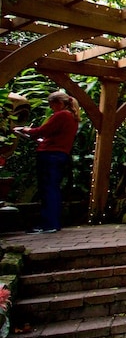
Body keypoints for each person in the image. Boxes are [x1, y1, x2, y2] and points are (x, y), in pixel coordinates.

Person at [15, 91, 79, 233]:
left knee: (47, 190)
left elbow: (43, 130)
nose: (51, 109)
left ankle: (48, 224)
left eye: (52, 105)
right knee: (53, 189)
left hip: (50, 155)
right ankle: (53, 223)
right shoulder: (73, 117)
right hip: (61, 154)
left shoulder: (62, 115)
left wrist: (26, 129)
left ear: (59, 103)